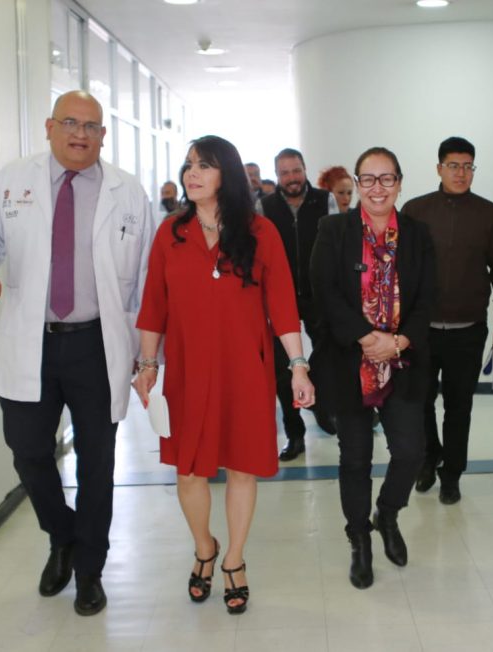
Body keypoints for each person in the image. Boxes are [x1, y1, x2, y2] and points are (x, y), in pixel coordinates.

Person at [0, 90, 154, 616]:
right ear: (49, 127)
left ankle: (89, 569)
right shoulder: (13, 181)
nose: (80, 134)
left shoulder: (128, 193)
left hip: (98, 343)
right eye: (70, 122)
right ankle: (62, 535)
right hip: (32, 341)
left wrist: (147, 356)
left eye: (91, 126)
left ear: (103, 136)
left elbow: (145, 283)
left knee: (97, 462)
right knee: (27, 450)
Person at [132, 135, 315, 614]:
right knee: (189, 470)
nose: (191, 173)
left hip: (244, 370)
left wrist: (298, 366)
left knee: (241, 467)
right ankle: (204, 547)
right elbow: (153, 305)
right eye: (189, 165)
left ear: (226, 174)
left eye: (204, 165)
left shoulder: (260, 232)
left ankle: (234, 558)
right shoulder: (171, 233)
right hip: (187, 371)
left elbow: (283, 305)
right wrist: (147, 365)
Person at [310, 147, 434, 589]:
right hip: (348, 361)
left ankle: (388, 513)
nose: (377, 188)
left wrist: (398, 342)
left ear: (399, 182)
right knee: (355, 457)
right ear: (357, 184)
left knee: (411, 452)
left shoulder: (418, 234)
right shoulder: (333, 230)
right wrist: (367, 338)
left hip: (402, 361)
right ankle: (359, 539)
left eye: (386, 179)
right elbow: (323, 292)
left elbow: (428, 297)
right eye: (368, 179)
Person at [402, 136, 493, 505]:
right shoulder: (415, 210)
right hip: (421, 330)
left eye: (467, 166)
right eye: (453, 166)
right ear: (439, 168)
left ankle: (452, 474)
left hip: (468, 330)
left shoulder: (489, 214)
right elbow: (402, 269)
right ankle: (428, 457)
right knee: (418, 402)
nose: (461, 173)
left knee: (459, 406)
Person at [261, 148, 339, 461]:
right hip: (279, 298)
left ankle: (321, 405)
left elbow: (336, 246)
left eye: (296, 171)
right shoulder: (264, 206)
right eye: (284, 173)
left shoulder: (325, 200)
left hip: (319, 294)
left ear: (305, 169)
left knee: (328, 354)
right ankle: (295, 435)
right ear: (277, 176)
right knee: (282, 371)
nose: (291, 178)